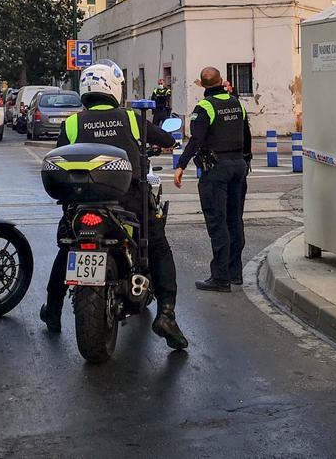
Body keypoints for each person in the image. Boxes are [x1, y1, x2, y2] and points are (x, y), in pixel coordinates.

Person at [39, 62, 189, 350]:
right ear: (114, 89)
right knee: (157, 246)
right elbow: (167, 139)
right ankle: (167, 314)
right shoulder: (132, 118)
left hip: (80, 202)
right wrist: (160, 143)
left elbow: (57, 155)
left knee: (67, 249)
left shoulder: (72, 123)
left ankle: (53, 311)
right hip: (128, 201)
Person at [174, 66, 252, 292]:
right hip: (239, 167)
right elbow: (246, 136)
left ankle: (220, 277)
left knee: (218, 222)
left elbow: (196, 139)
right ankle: (234, 272)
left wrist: (181, 165)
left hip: (216, 171)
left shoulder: (205, 107)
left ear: (202, 85)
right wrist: (246, 161)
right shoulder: (238, 103)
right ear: (223, 81)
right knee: (235, 220)